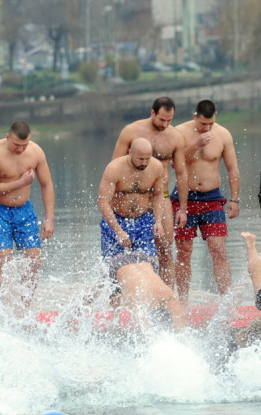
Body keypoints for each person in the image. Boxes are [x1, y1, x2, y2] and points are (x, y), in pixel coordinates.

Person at [111, 96, 188, 287]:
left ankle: (166, 302)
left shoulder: (175, 137)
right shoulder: (131, 131)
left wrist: (183, 208)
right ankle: (127, 297)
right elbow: (114, 167)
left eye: (169, 120)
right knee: (123, 254)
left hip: (160, 197)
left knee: (165, 251)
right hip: (132, 198)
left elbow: (182, 174)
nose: (165, 124)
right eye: (162, 119)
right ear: (152, 112)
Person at [0, 121, 55, 311]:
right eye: (16, 144)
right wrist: (20, 182)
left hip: (24, 211)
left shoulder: (36, 152)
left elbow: (46, 185)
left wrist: (49, 219)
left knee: (34, 260)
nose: (21, 149)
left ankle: (23, 309)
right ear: (8, 137)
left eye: (25, 144)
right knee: (5, 263)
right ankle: (4, 310)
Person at [172, 100, 240, 301]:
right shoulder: (180, 132)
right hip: (184, 198)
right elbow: (175, 165)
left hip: (212, 199)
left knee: (219, 251)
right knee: (184, 252)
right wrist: (196, 145)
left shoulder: (223, 134)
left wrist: (235, 199)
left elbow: (232, 168)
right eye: (203, 124)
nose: (207, 128)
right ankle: (182, 302)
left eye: (210, 123)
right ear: (195, 117)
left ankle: (227, 303)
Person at [97, 137, 168, 271]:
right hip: (116, 219)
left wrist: (158, 221)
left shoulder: (156, 167)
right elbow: (103, 201)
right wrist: (118, 231)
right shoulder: (114, 168)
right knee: (111, 269)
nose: (145, 162)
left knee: (148, 265)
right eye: (141, 159)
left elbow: (159, 195)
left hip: (143, 220)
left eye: (148, 158)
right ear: (130, 152)